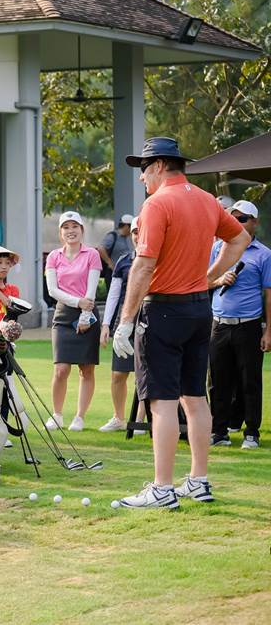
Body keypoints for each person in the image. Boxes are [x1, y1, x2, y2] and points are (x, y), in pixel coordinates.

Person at [113, 136, 248, 509]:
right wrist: (208, 276)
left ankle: (161, 488)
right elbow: (240, 239)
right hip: (199, 310)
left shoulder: (157, 204)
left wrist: (125, 321)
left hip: (164, 311)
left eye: (143, 168)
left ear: (158, 166)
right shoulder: (206, 200)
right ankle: (198, 481)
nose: (141, 177)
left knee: (161, 401)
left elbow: (143, 265)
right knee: (194, 397)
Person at [207, 200, 271, 449]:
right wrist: (219, 279)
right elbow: (204, 280)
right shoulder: (217, 248)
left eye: (243, 219)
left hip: (249, 325)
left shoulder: (263, 254)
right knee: (217, 381)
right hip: (219, 324)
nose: (237, 223)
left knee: (250, 381)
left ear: (255, 222)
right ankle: (219, 431)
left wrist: (269, 332)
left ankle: (251, 432)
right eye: (233, 218)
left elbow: (269, 295)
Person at [44, 211, 101, 432]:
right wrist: (78, 303)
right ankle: (57, 415)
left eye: (74, 226)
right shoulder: (53, 257)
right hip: (63, 314)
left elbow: (92, 289)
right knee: (61, 369)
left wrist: (85, 314)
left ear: (82, 229)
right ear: (61, 232)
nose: (71, 231)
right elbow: (52, 290)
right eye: (66, 227)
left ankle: (79, 417)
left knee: (86, 369)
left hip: (88, 313)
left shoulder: (92, 255)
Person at [98, 215, 142, 432]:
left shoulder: (160, 259)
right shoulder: (124, 260)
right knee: (118, 374)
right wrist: (106, 325)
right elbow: (113, 296)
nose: (137, 235)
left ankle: (141, 420)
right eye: (134, 232)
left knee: (146, 375)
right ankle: (118, 418)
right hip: (123, 323)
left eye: (141, 231)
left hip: (150, 323)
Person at [98, 214, 134, 287]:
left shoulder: (128, 237)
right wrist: (110, 263)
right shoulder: (113, 236)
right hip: (113, 273)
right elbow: (101, 248)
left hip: (125, 273)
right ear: (127, 226)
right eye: (131, 227)